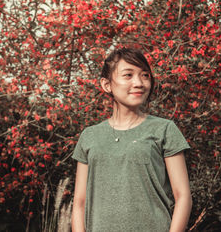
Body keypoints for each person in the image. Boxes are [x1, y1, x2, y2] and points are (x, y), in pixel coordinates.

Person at [71, 47, 192, 232]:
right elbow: (80, 202)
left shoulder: (164, 129)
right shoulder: (90, 136)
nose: (139, 83)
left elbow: (183, 195)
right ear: (106, 84)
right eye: (128, 75)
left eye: (145, 75)